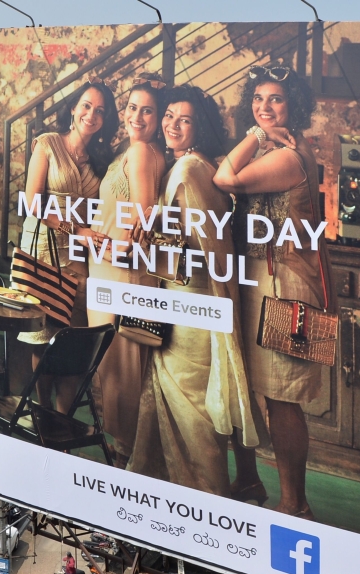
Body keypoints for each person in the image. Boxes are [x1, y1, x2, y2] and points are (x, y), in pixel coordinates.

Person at [213, 65, 335, 519]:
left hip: (288, 286)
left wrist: (250, 134)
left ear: (294, 106)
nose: (265, 107)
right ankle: (250, 480)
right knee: (255, 389)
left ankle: (295, 503)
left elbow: (225, 178)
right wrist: (261, 136)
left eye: (276, 99)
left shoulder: (289, 156)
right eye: (258, 99)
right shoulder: (280, 147)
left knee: (284, 399)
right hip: (264, 279)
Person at [128, 85, 260, 497]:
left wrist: (150, 234)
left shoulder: (188, 172)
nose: (172, 125)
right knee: (184, 406)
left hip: (190, 303)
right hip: (187, 301)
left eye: (184, 119)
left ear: (199, 126)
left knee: (193, 414)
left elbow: (201, 251)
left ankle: (207, 502)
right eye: (168, 115)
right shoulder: (197, 164)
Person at [16, 75, 117, 413]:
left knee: (71, 338)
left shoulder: (101, 158)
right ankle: (42, 409)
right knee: (43, 336)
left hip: (77, 257)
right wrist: (77, 230)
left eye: (100, 111)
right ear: (73, 109)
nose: (92, 114)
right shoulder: (47, 143)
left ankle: (62, 418)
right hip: (43, 247)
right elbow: (32, 203)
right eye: (86, 106)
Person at [85, 76, 167, 470]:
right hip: (111, 273)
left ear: (159, 116)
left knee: (121, 371)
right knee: (114, 369)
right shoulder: (134, 150)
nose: (136, 116)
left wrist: (111, 248)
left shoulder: (140, 153)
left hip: (121, 275)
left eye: (146, 110)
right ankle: (126, 456)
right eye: (132, 107)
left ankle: (127, 461)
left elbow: (144, 217)